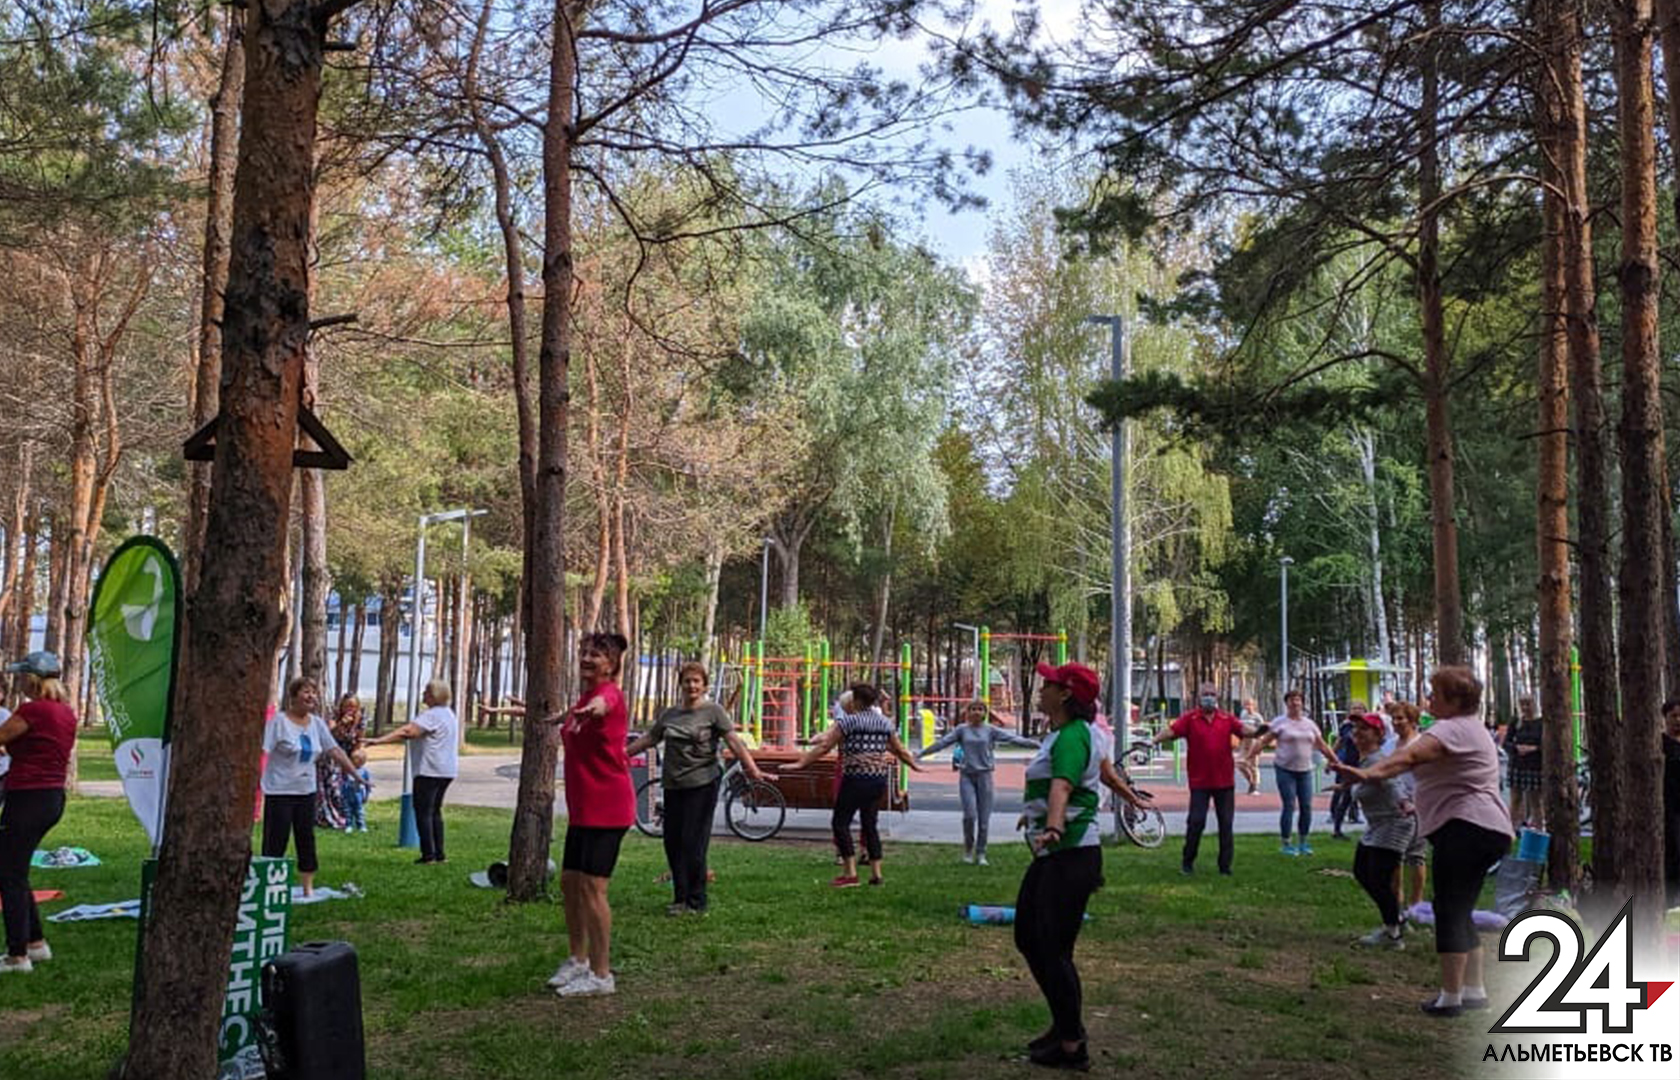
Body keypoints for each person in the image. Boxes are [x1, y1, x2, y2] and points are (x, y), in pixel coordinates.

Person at [1330, 666, 1513, 1018]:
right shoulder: (1470, 728)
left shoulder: (1452, 728)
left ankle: (1450, 997)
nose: (1429, 700)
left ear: (1455, 700)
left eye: (1435, 694)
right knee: (1459, 909)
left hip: (1467, 828)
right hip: (1484, 829)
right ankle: (1473, 991)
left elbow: (1410, 757)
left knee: (1448, 911)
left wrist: (1369, 772)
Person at [1016, 661, 1106, 1070]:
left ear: (1065, 693)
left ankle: (1072, 1045)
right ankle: (1063, 1027)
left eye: (1048, 683)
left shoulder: (1072, 735)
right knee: (1031, 938)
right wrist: (1034, 815)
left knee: (1051, 947)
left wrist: (1052, 826)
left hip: (1070, 853)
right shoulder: (1064, 733)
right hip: (1059, 853)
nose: (1041, 688)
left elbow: (1064, 784)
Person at [626, 662, 763, 914]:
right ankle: (680, 898)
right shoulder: (670, 714)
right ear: (681, 684)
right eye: (687, 680)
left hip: (702, 784)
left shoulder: (713, 712)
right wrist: (622, 755)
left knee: (693, 842)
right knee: (673, 842)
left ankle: (696, 901)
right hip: (673, 784)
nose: (692, 685)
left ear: (704, 685)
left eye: (696, 681)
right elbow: (650, 738)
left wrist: (752, 769)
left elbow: (734, 741)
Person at [545, 633, 635, 998]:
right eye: (584, 652)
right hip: (584, 810)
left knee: (594, 888)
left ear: (611, 665)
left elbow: (602, 705)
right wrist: (562, 714)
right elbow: (581, 712)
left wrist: (590, 710)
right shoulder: (583, 698)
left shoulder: (608, 694)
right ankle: (578, 960)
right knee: (569, 882)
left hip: (609, 807)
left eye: (596, 655)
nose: (587, 658)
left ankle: (601, 975)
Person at [787, 683, 922, 888]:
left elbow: (825, 746)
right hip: (877, 779)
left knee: (840, 823)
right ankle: (876, 874)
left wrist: (801, 763)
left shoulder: (849, 722)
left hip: (855, 778)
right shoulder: (885, 723)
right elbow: (900, 750)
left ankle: (850, 873)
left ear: (856, 700)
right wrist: (914, 766)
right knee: (870, 825)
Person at [0, 652, 75, 974]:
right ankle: (35, 943)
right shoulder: (65, 713)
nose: (20, 683)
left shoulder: (33, 710)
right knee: (15, 870)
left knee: (8, 875)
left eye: (23, 677)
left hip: (27, 798)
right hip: (51, 798)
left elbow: (3, 736)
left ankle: (17, 956)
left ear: (33, 679)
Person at [261, 676, 365, 897]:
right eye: (306, 692)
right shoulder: (279, 722)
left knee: (306, 839)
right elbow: (263, 752)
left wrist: (356, 775)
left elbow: (334, 750)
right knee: (275, 840)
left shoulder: (317, 724)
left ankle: (308, 889)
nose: (311, 696)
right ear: (294, 696)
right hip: (280, 791)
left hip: (306, 791)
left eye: (314, 692)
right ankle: (269, 890)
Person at [1152, 681, 1265, 875]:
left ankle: (1225, 867)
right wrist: (1152, 740)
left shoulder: (1226, 718)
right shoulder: (1190, 719)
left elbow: (1246, 731)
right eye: (1206, 694)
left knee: (1226, 824)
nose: (1209, 697)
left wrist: (1260, 731)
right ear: (1199, 697)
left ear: (1217, 697)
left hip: (1224, 782)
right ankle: (1187, 863)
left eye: (1212, 694)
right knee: (1196, 822)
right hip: (1200, 782)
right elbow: (1172, 731)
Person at [916, 699, 1039, 865]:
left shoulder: (990, 731)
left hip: (985, 776)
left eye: (980, 709)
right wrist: (920, 754)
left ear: (985, 712)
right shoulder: (962, 730)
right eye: (973, 709)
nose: (976, 712)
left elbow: (1014, 739)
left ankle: (981, 853)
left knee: (984, 820)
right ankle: (968, 850)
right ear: (968, 712)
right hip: (967, 776)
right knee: (969, 816)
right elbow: (942, 743)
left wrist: (1039, 744)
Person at [1342, 712, 1416, 949]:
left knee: (1378, 878)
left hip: (1395, 823)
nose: (1357, 734)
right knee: (1362, 871)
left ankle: (1393, 934)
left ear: (1378, 734)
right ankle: (1397, 918)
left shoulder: (1378, 760)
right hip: (1377, 825)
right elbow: (1367, 782)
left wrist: (1404, 802)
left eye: (1364, 729)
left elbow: (1392, 782)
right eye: (1356, 729)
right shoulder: (1366, 759)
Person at [368, 680, 459, 864]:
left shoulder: (431, 715)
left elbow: (409, 731)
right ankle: (439, 854)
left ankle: (428, 855)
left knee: (423, 811)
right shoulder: (449, 714)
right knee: (434, 812)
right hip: (446, 770)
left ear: (434, 695)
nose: (423, 694)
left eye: (426, 691)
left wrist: (380, 741)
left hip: (429, 770)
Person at [1253, 689, 1336, 855]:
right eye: (1292, 700)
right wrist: (1249, 756)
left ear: (1302, 703)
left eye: (1298, 699)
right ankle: (1286, 843)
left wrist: (1335, 760)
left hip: (1305, 770)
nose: (1295, 703)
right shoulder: (1280, 722)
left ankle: (1304, 842)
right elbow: (1265, 741)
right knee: (1289, 805)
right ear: (1287, 703)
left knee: (1306, 806)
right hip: (1285, 769)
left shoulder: (1310, 724)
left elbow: (1322, 745)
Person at [1387, 701, 1429, 911]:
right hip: (1394, 805)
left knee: (1416, 855)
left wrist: (1415, 802)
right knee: (1395, 855)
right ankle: (1398, 902)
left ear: (1412, 721)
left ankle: (1417, 903)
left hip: (1418, 805)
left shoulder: (1422, 744)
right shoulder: (1390, 745)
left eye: (1401, 718)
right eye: (1394, 718)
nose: (1396, 723)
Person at [315, 693, 364, 830]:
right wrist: (341, 724)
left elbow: (359, 741)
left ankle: (348, 816)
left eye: (353, 706)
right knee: (334, 786)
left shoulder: (360, 720)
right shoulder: (334, 717)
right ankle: (330, 816)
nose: (350, 709)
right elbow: (329, 737)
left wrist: (354, 760)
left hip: (347, 756)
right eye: (347, 705)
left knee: (348, 786)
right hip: (331, 755)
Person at [1505, 697, 1544, 828]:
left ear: (1534, 705)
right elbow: (1506, 743)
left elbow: (1546, 745)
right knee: (1515, 799)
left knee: (1535, 801)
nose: (1525, 708)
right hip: (1517, 765)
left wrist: (1534, 749)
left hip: (1534, 766)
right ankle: (1510, 830)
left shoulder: (1541, 723)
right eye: (1522, 705)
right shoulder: (1516, 722)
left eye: (1528, 704)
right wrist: (1516, 748)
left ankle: (1538, 830)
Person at [1662, 700, 1680, 909]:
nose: (1678, 721)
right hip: (1669, 806)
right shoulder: (1661, 744)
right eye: (1673, 716)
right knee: (1673, 850)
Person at [1236, 697, 1263, 795]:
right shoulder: (1243, 715)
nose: (1248, 707)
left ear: (1254, 705)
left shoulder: (1257, 717)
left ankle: (1254, 787)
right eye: (1246, 704)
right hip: (1244, 741)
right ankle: (1251, 781)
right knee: (1239, 763)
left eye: (1250, 704)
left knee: (1253, 765)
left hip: (1254, 741)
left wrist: (1260, 745)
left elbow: (1262, 731)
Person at [341, 747, 372, 833]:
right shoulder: (347, 770)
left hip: (358, 794)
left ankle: (361, 825)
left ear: (362, 762)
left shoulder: (364, 772)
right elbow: (343, 781)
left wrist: (366, 795)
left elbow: (367, 784)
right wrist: (342, 792)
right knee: (347, 810)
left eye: (356, 760)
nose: (353, 762)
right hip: (347, 794)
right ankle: (349, 825)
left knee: (359, 811)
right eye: (352, 759)